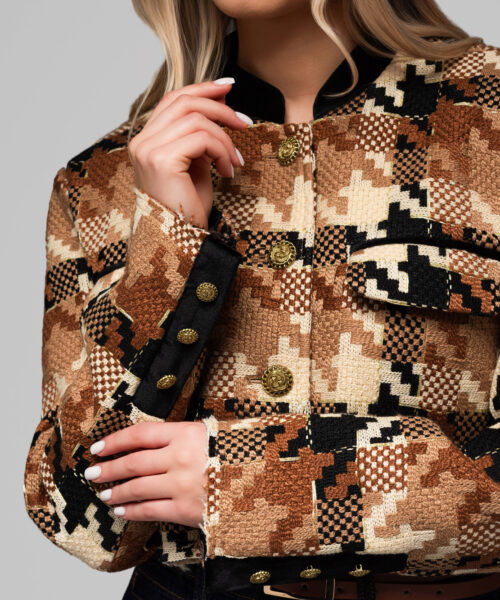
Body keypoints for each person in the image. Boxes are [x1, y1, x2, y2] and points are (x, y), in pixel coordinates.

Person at [23, 1, 500, 600]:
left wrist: (249, 486)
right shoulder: (102, 177)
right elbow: (78, 519)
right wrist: (168, 244)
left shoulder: (485, 118)